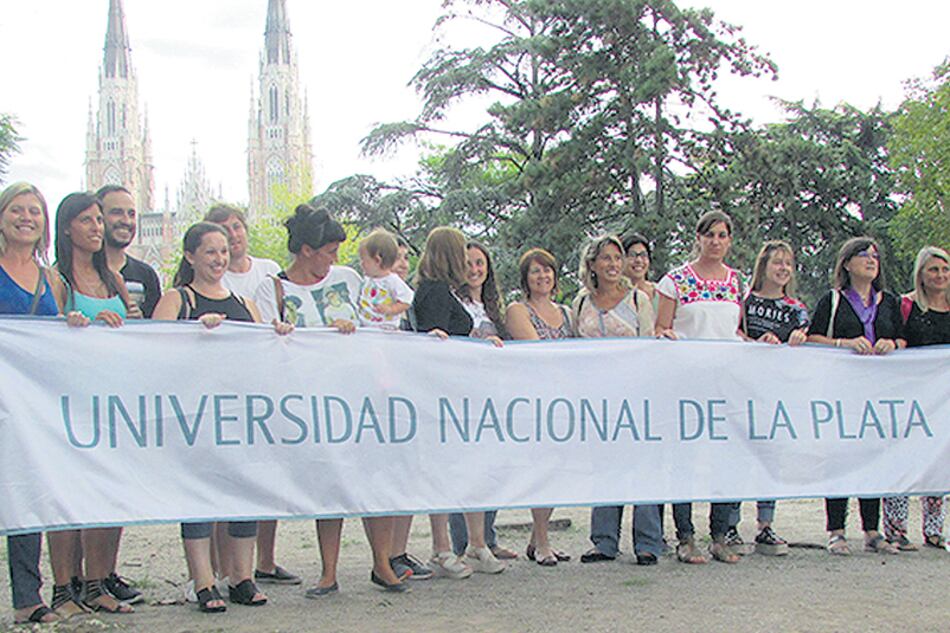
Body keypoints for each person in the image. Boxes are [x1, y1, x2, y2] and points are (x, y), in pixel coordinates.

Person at [253, 204, 407, 595]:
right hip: (313, 401)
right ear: (306, 250)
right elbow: (264, 342)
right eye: (329, 252)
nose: (334, 260)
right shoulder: (273, 289)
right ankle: (328, 572)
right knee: (330, 480)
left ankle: (382, 563)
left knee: (376, 478)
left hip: (362, 394)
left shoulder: (349, 280)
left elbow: (380, 321)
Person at [152, 222, 289, 612]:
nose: (219, 259)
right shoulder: (178, 299)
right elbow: (152, 350)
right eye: (210, 251)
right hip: (194, 415)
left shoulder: (245, 303)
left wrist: (278, 334)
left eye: (224, 251)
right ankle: (203, 581)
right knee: (198, 496)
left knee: (244, 491)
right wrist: (194, 334)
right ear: (190, 256)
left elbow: (264, 351)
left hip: (240, 414)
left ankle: (241, 577)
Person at [0, 183, 90, 624]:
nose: (26, 218)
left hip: (27, 407)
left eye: (34, 211)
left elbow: (53, 338)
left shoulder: (51, 279)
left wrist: (70, 323)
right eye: (16, 210)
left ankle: (27, 598)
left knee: (25, 494)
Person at [204, 203, 299, 588]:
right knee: (220, 481)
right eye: (223, 230)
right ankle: (219, 569)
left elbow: (270, 320)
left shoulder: (266, 271)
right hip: (218, 389)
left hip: (257, 387)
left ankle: (265, 560)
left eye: (237, 227)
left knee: (262, 477)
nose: (233, 235)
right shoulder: (210, 279)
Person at [51, 192, 137, 613]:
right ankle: (63, 587)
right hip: (71, 401)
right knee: (68, 495)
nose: (97, 227)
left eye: (99, 220)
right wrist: (76, 325)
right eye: (87, 220)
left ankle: (97, 582)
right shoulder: (57, 280)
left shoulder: (113, 280)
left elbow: (137, 331)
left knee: (108, 491)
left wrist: (121, 326)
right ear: (67, 228)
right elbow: (44, 335)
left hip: (113, 399)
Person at [410, 227, 506, 577]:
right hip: (443, 394)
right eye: (462, 253)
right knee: (444, 469)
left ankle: (476, 543)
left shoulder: (441, 290)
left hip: (460, 392)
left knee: (469, 466)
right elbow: (437, 344)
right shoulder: (435, 291)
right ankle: (441, 548)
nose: (467, 261)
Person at [806, 236, 905, 556]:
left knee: (872, 455)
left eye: (875, 255)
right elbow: (811, 338)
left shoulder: (888, 301)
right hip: (841, 390)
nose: (871, 260)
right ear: (847, 263)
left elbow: (904, 338)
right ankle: (836, 530)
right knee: (839, 457)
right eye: (863, 255)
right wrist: (843, 343)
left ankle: (872, 530)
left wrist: (893, 344)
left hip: (878, 390)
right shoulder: (833, 300)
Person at [655, 210, 744, 564]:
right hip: (687, 384)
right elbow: (661, 328)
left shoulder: (737, 282)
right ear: (698, 238)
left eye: (722, 235)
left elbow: (737, 331)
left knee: (726, 458)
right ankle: (686, 537)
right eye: (710, 235)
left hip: (726, 383)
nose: (716, 242)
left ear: (729, 240)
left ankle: (720, 536)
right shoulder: (675, 281)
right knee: (686, 459)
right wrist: (669, 339)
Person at [571, 235, 656, 565]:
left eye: (617, 258)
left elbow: (650, 346)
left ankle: (648, 542)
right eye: (606, 258)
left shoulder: (638, 300)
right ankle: (604, 541)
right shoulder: (581, 303)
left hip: (635, 395)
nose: (613, 264)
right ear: (592, 264)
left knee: (643, 466)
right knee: (605, 467)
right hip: (597, 399)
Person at [738, 240, 810, 556]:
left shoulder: (797, 308)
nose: (783, 268)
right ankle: (729, 525)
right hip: (742, 388)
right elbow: (733, 332)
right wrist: (754, 342)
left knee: (770, 457)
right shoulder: (745, 301)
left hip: (777, 392)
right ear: (763, 266)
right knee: (738, 454)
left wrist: (799, 337)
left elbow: (808, 337)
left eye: (788, 263)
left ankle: (765, 525)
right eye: (777, 262)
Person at [447, 241, 516, 561]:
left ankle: (487, 537)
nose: (475, 270)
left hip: (493, 395)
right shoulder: (453, 301)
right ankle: (463, 542)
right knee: (464, 468)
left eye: (480, 263)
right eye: (469, 263)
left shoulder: (493, 308)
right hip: (462, 395)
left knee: (492, 468)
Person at [505, 248, 573, 566]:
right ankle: (543, 540)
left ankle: (536, 539)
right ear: (525, 278)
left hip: (566, 401)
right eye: (535, 271)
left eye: (547, 270)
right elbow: (536, 352)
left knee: (559, 469)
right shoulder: (518, 310)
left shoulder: (567, 312)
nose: (542, 276)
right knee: (541, 468)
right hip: (534, 400)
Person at [881, 246, 950, 550]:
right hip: (908, 396)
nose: (940, 275)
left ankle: (934, 529)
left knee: (939, 461)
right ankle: (896, 528)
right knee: (901, 459)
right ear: (921, 274)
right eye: (933, 269)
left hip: (943, 399)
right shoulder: (905, 306)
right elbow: (896, 339)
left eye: (945, 270)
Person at [97, 184, 161, 320]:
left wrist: (140, 322)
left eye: (131, 214)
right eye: (117, 213)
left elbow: (156, 326)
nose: (126, 221)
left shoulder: (146, 274)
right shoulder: (77, 272)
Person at [357, 228, 414, 329]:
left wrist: (391, 309)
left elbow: (406, 300)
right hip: (365, 326)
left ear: (377, 260)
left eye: (363, 260)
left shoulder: (393, 281)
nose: (361, 264)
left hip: (386, 328)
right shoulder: (366, 281)